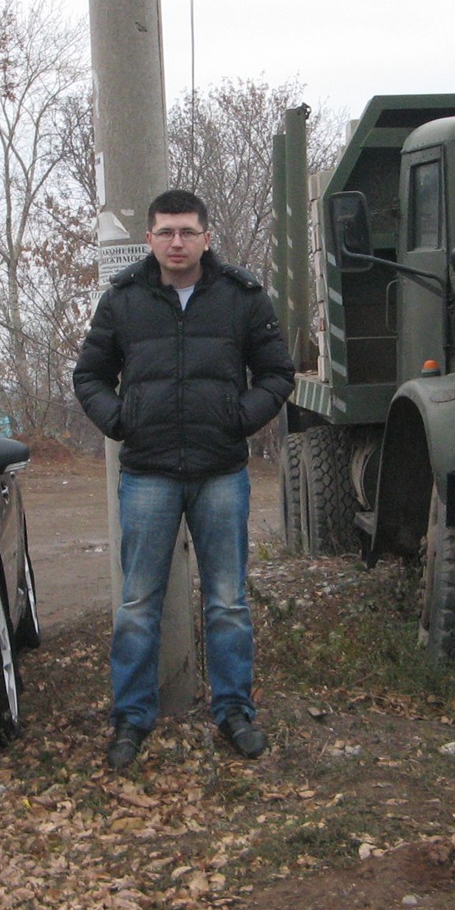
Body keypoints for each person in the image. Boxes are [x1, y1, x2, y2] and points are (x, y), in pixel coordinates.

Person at [72, 188, 295, 770]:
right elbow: (89, 375)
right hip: (147, 473)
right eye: (166, 232)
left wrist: (235, 421)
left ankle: (234, 711)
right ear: (149, 239)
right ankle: (131, 718)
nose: (177, 242)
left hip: (220, 470)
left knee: (226, 601)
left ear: (206, 237)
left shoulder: (242, 297)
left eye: (187, 232)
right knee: (138, 602)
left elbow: (276, 373)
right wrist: (122, 422)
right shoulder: (122, 300)